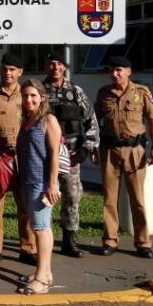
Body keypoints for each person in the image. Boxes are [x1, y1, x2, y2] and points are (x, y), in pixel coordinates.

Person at [95, 56, 153, 259]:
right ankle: (110, 240)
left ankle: (143, 242)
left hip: (134, 151)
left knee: (138, 198)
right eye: (112, 70)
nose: (115, 74)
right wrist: (93, 147)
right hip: (109, 150)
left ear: (129, 71)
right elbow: (95, 121)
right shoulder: (103, 93)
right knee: (109, 199)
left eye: (119, 70)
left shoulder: (142, 92)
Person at [42, 51, 100, 258]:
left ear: (64, 67)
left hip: (72, 156)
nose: (55, 67)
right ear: (46, 66)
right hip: (44, 156)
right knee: (43, 197)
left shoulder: (75, 91)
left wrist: (87, 149)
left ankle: (69, 240)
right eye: (51, 64)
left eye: (59, 64)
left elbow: (91, 121)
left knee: (72, 197)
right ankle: (41, 239)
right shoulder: (38, 91)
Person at [0, 53, 36, 265]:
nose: (8, 73)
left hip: (23, 158)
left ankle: (28, 248)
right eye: (4, 69)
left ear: (20, 72)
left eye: (12, 69)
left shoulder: (28, 95)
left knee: (25, 205)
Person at [15, 79, 62, 295]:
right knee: (39, 227)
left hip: (42, 182)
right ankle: (46, 272)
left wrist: (52, 185)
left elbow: (54, 155)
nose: (29, 99)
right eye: (25, 96)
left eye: (33, 95)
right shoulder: (27, 120)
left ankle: (41, 279)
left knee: (41, 229)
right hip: (27, 180)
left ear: (42, 97)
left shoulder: (48, 120)